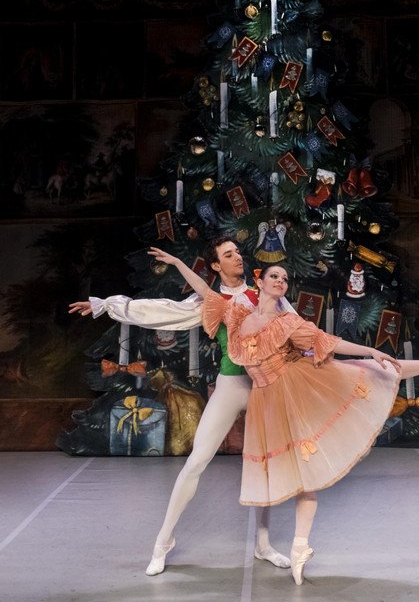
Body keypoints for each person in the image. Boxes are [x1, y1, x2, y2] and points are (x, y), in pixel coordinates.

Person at [147, 250, 419, 585]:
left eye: (285, 279)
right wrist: (177, 263)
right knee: (241, 463)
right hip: (258, 393)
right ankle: (166, 542)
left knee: (369, 370)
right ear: (259, 283)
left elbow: (328, 341)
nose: (280, 281)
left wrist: (371, 349)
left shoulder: (288, 322)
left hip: (292, 383)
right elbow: (204, 290)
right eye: (274, 276)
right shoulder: (237, 313)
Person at [69, 235, 292, 575]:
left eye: (237, 252)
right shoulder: (210, 301)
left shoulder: (263, 293)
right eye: (228, 255)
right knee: (196, 461)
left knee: (266, 464)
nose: (237, 258)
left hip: (264, 386)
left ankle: (263, 543)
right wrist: (105, 305)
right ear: (216, 265)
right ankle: (163, 541)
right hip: (232, 384)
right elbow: (161, 310)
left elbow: (298, 329)